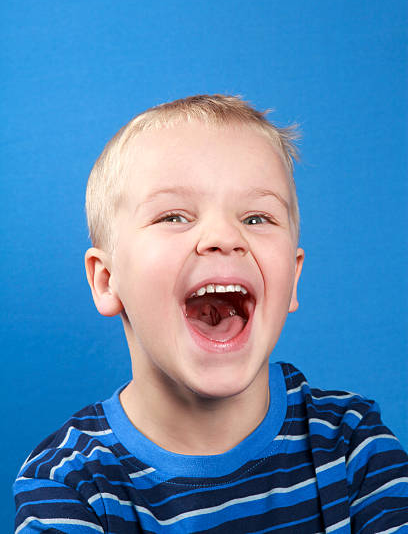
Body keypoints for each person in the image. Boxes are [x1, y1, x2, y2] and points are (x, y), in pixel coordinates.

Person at [14, 95, 408, 533]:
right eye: (175, 216)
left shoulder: (352, 444)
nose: (223, 236)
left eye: (257, 218)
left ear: (292, 280)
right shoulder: (68, 485)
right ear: (108, 281)